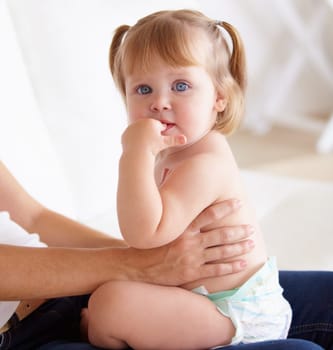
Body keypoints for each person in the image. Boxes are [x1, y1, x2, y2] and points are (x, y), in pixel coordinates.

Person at [83, 9, 292, 349]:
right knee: (108, 297)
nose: (159, 103)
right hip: (198, 300)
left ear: (219, 98)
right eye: (143, 89)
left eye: (180, 86)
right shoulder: (172, 152)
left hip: (235, 315)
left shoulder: (206, 162)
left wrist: (132, 154)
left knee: (110, 304)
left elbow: (144, 234)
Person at [0, 157, 255, 350]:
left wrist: (165, 257)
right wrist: (140, 265)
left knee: (275, 303)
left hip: (78, 287)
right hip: (22, 338)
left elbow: (33, 218)